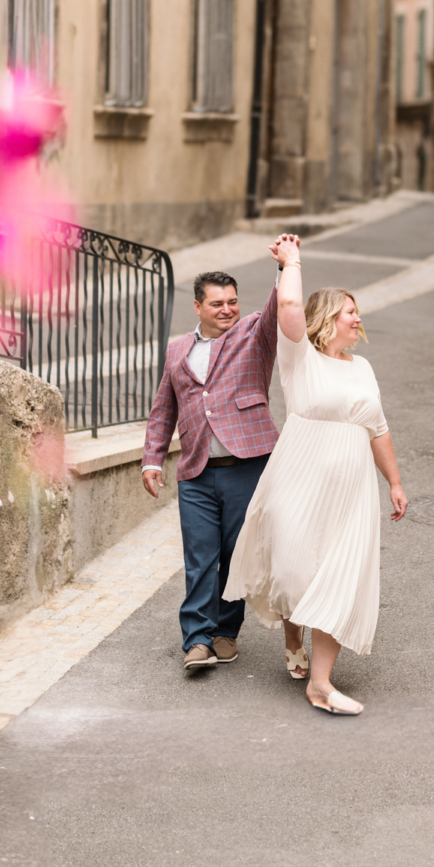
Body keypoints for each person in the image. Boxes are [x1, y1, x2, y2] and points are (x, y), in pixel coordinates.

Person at [224, 234, 407, 715]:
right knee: (295, 571)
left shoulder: (363, 367)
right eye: (351, 311)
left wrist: (394, 482)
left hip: (352, 491)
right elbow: (288, 303)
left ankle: (321, 684)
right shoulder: (298, 354)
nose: (358, 318)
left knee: (340, 579)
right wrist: (292, 261)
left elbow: (378, 429)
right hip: (299, 479)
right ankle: (292, 636)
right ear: (328, 317)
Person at [141, 240, 298, 670]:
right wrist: (152, 458)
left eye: (232, 301)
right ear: (197, 307)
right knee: (199, 557)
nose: (227, 309)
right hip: (195, 470)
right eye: (217, 303)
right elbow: (163, 409)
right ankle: (197, 639)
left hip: (247, 467)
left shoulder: (253, 334)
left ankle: (226, 631)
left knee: (235, 556)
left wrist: (286, 267)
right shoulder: (177, 350)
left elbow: (274, 307)